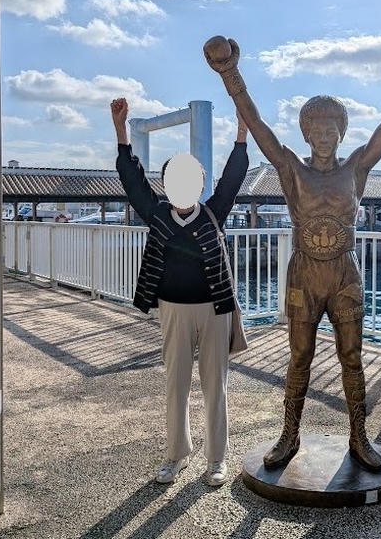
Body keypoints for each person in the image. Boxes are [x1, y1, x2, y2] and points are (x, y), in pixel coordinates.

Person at [204, 33, 381, 471]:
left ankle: (359, 438)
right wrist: (230, 73)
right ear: (306, 134)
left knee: (352, 356)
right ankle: (289, 435)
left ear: (340, 134)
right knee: (299, 355)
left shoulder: (357, 167)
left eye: (330, 130)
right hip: (303, 274)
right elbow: (258, 126)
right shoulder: (289, 169)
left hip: (344, 273)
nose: (323, 137)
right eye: (315, 131)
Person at [111, 97, 249, 486]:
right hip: (172, 307)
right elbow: (130, 178)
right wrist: (121, 130)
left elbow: (234, 177)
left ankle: (216, 459)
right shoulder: (155, 213)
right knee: (176, 384)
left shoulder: (214, 212)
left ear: (201, 185)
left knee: (214, 387)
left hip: (215, 309)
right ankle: (175, 454)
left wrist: (241, 132)